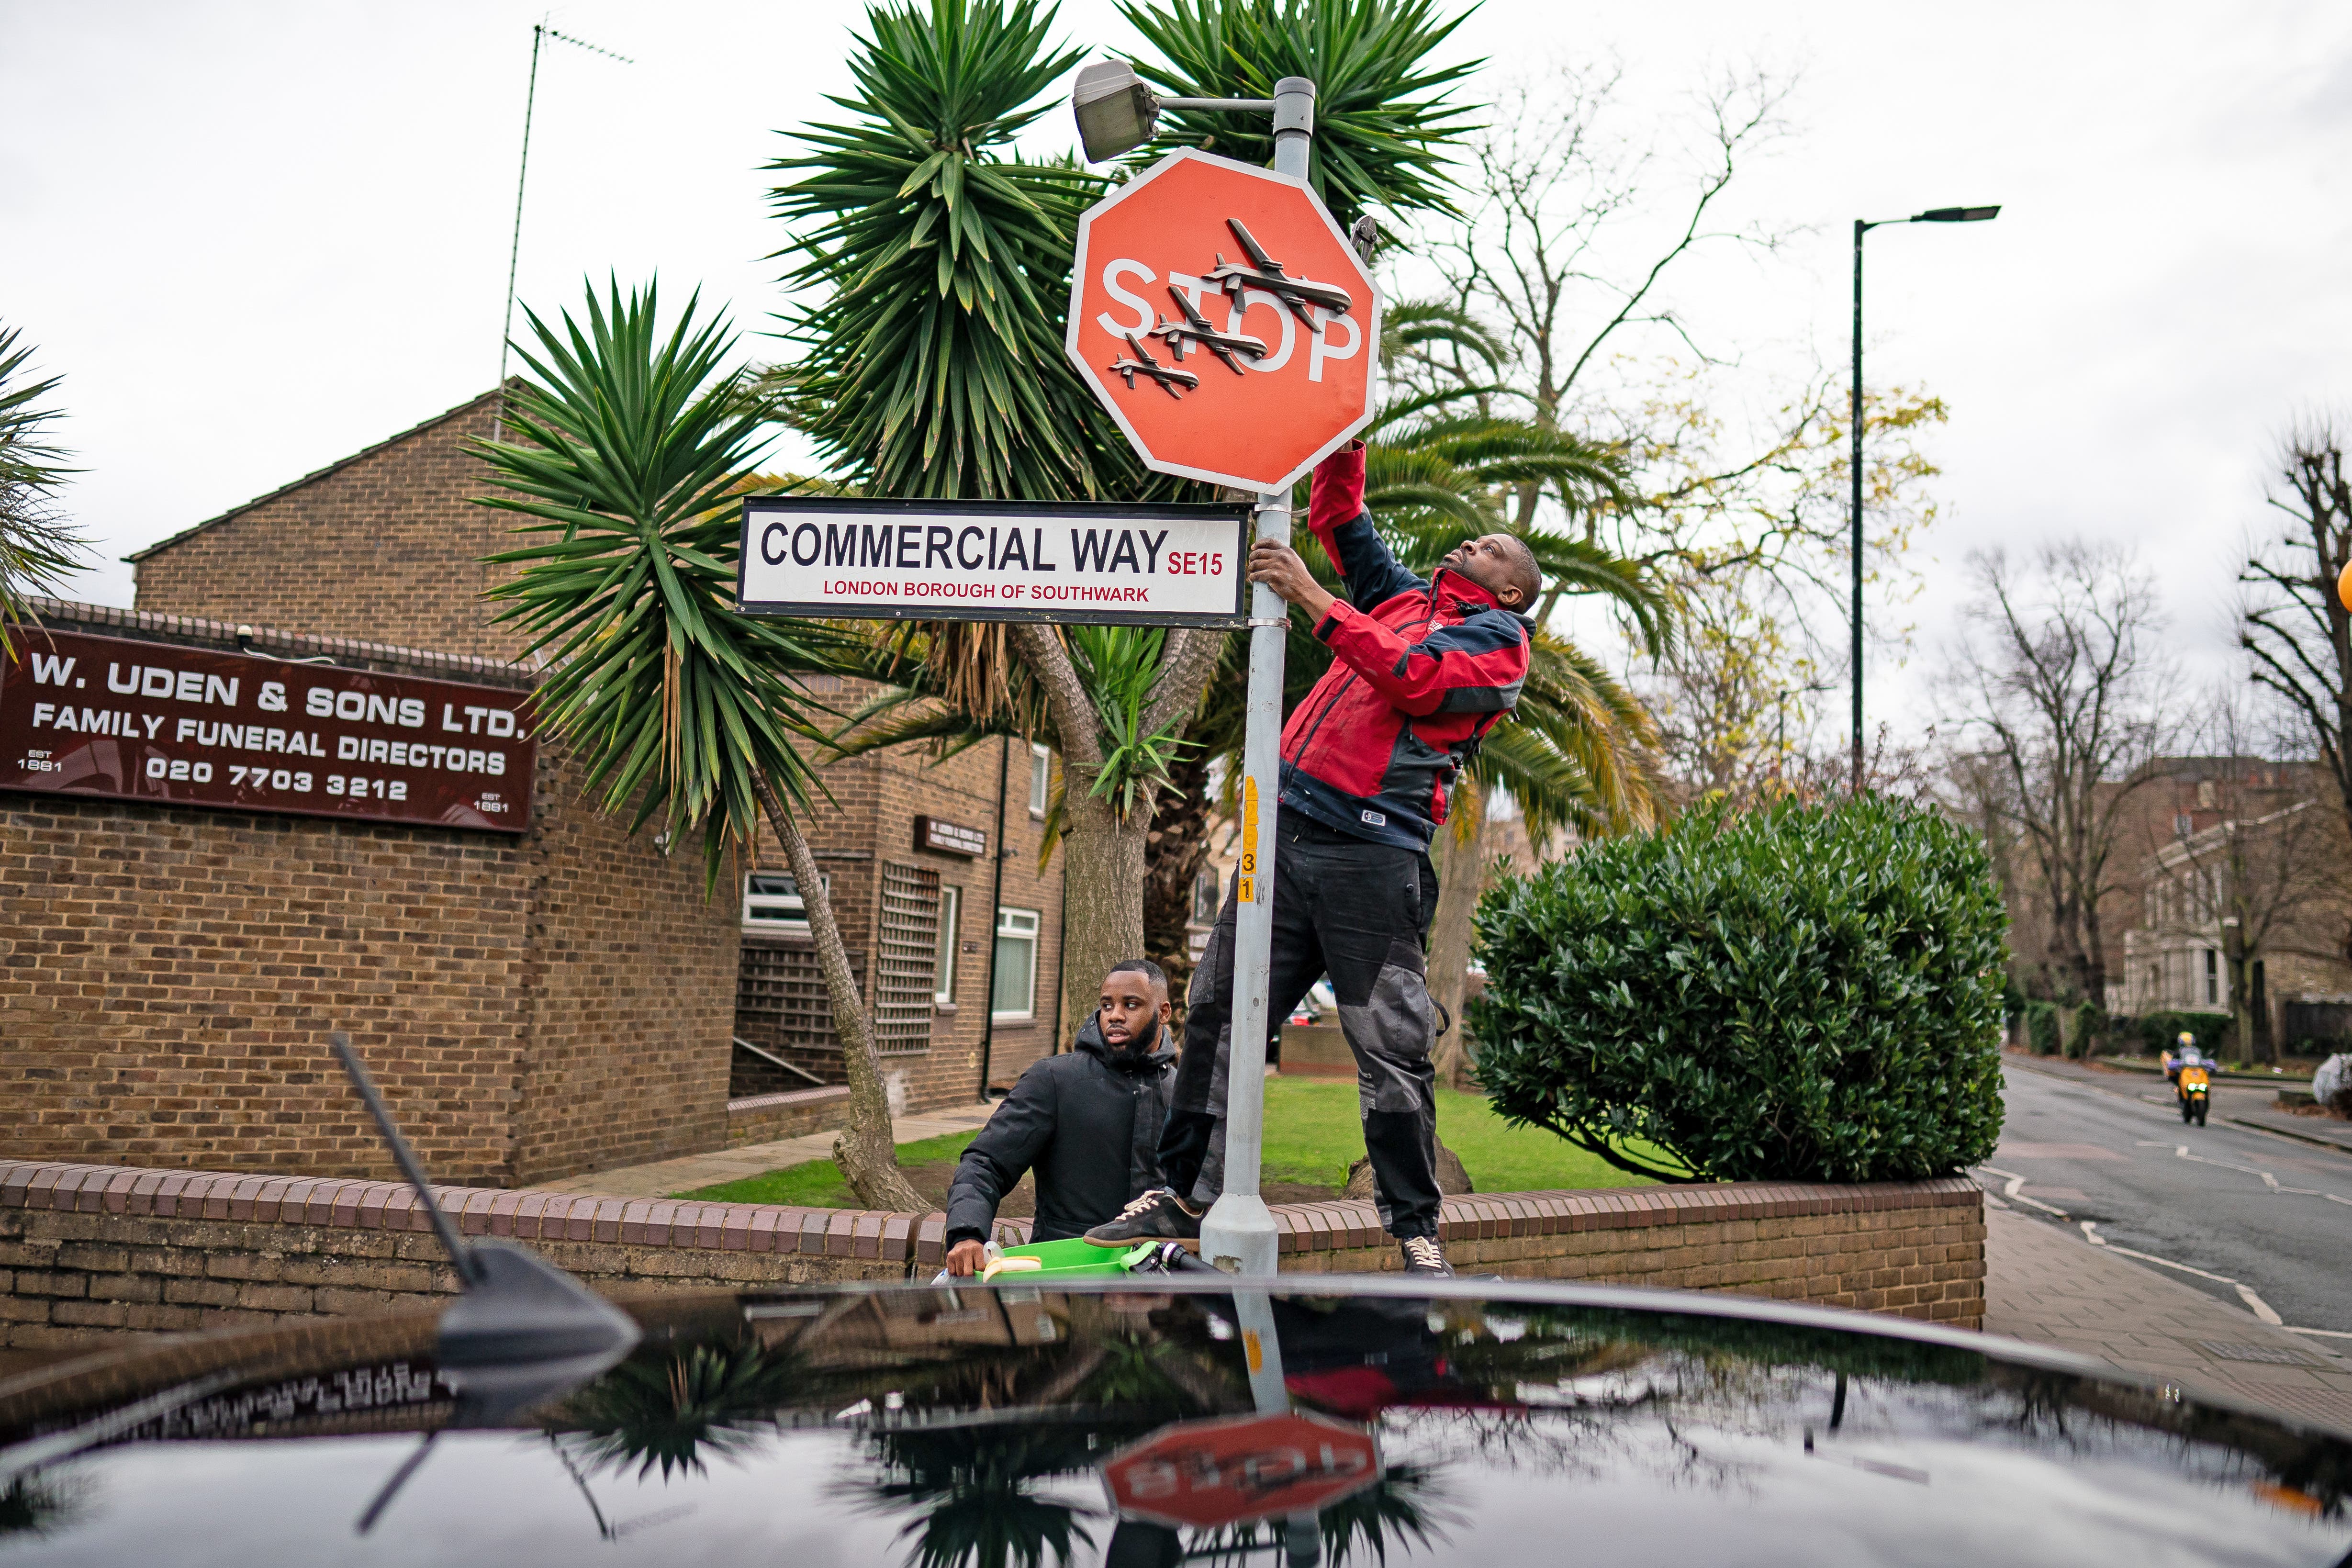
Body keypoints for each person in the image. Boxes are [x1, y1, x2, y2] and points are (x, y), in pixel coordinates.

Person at [1085, 440, 1536, 1277]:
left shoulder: (1500, 643)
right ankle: (1183, 1191)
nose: (1468, 544)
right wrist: (1341, 432)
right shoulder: (1400, 598)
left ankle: (1414, 1230)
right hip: (1284, 842)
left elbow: (1418, 681)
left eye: (1489, 548)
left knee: (1390, 1053)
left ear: (1509, 588)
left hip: (1372, 860)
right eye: (1468, 542)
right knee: (1219, 1012)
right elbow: (1334, 513)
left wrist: (1311, 598)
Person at [942, 960, 1179, 1275]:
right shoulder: (1055, 1080)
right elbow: (985, 1162)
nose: (1115, 1015)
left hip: (1164, 1289)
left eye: (1131, 1005)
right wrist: (967, 1234)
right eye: (1107, 1005)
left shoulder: (1183, 1095)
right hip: (1068, 1281)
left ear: (1163, 1012)